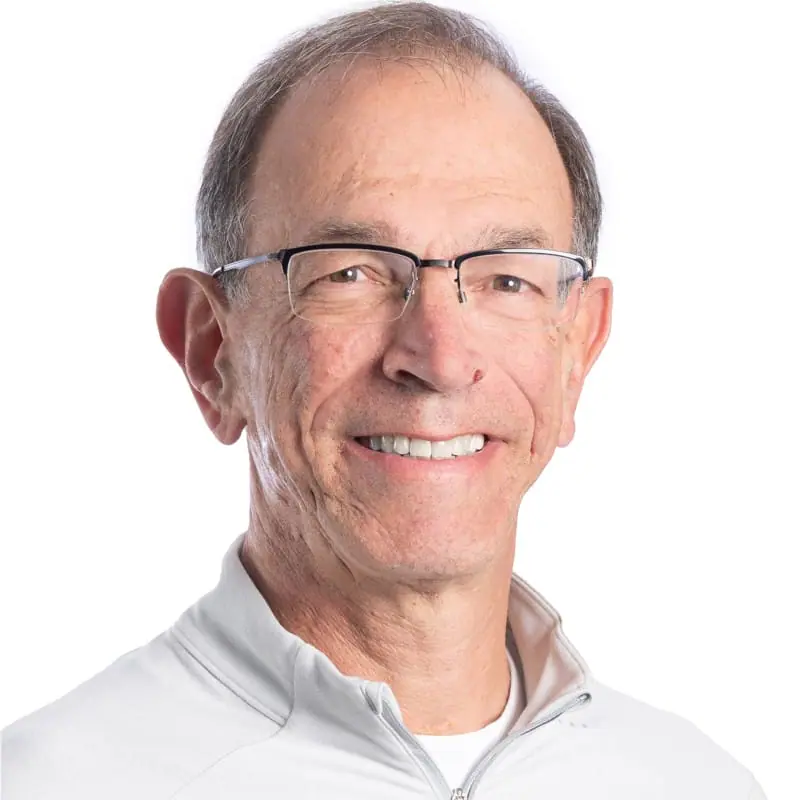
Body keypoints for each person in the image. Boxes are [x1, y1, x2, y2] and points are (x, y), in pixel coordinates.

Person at [1, 3, 767, 798]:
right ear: (212, 351)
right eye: (351, 273)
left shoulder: (699, 784)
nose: (440, 358)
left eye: (507, 279)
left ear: (578, 350)